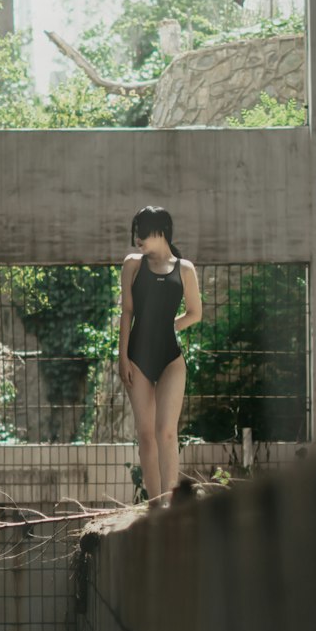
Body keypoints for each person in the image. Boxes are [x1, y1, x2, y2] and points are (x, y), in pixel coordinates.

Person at [118, 206, 202, 504]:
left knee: (166, 431)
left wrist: (170, 325)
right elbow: (127, 313)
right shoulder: (133, 265)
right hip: (137, 358)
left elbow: (195, 313)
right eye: (135, 232)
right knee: (146, 435)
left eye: (143, 232)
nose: (137, 238)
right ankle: (155, 505)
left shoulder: (186, 269)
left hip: (171, 358)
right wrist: (122, 357)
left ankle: (171, 504)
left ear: (161, 231)